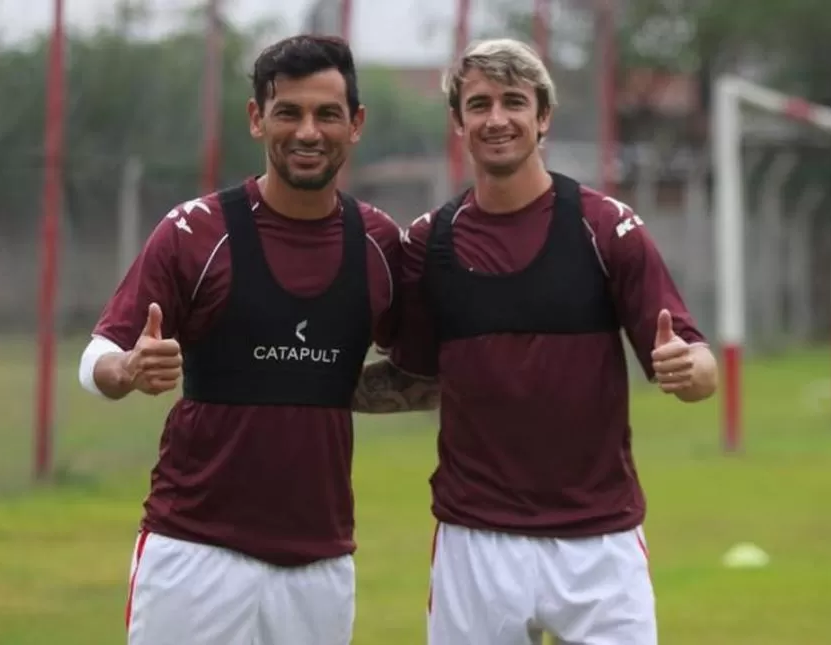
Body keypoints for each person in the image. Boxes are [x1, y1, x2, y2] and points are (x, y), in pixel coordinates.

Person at [351, 38, 717, 644]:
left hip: (599, 541)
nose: (497, 119)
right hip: (475, 540)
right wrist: (299, 379)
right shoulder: (429, 244)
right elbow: (417, 381)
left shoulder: (606, 228)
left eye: (514, 102)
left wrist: (692, 368)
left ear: (542, 116)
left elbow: (697, 364)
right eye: (480, 104)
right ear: (459, 122)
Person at [78, 35, 402, 645]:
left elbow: (429, 363)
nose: (308, 132)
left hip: (322, 561)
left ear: (355, 124)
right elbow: (95, 357)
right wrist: (126, 369)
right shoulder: (194, 231)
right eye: (289, 112)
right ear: (257, 119)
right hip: (194, 553)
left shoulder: (380, 244)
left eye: (327, 114)